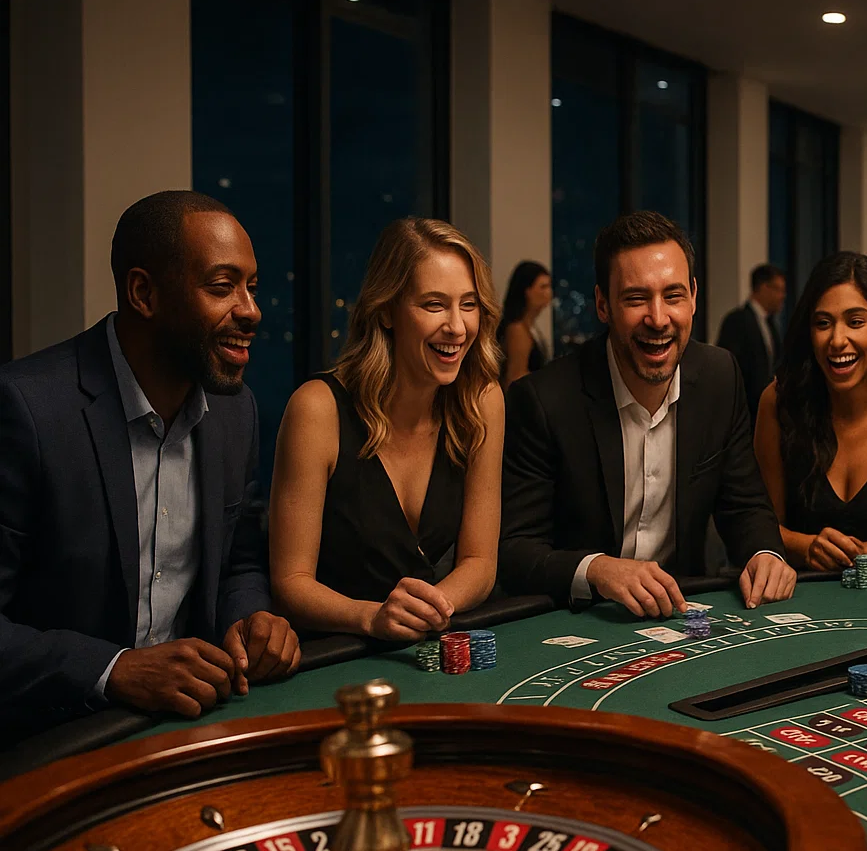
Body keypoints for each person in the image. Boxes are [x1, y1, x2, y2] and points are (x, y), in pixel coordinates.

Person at [0, 190, 300, 737]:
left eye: (251, 288)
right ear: (143, 293)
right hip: (48, 742)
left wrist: (250, 619)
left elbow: (238, 563)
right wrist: (113, 671)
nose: (251, 311)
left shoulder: (236, 412)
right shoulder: (27, 410)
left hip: (188, 725)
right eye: (222, 287)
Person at [500, 211, 795, 615]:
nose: (658, 319)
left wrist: (765, 554)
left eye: (673, 296)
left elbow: (744, 503)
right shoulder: (543, 400)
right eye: (636, 298)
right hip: (579, 618)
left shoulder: (719, 377)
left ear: (693, 295)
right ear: (603, 304)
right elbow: (514, 551)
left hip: (685, 612)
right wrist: (598, 570)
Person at [269, 218, 504, 640]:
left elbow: (480, 562)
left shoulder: (481, 401)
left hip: (424, 643)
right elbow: (291, 583)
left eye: (468, 304)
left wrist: (430, 608)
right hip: (333, 658)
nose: (457, 326)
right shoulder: (317, 409)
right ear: (387, 312)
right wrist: (372, 618)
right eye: (434, 304)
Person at [754, 252, 867, 570]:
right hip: (791, 594)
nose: (838, 340)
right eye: (823, 323)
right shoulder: (778, 402)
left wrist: (856, 558)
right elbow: (759, 525)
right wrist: (807, 546)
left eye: (855, 322)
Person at [716, 263, 787, 422]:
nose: (782, 296)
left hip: (767, 413)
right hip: (745, 415)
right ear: (763, 287)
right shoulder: (737, 320)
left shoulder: (772, 326)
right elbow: (728, 369)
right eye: (778, 289)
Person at [498, 260, 553, 385]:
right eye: (543, 287)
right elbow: (515, 376)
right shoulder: (517, 329)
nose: (549, 292)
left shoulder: (528, 325)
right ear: (527, 291)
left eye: (549, 286)